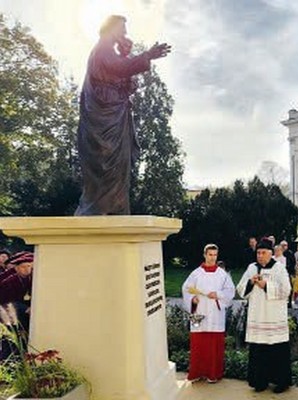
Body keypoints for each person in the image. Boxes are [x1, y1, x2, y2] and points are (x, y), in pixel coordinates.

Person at [74, 15, 171, 215]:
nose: (125, 34)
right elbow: (119, 68)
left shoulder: (110, 52)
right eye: (122, 29)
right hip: (104, 118)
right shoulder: (102, 49)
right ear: (111, 29)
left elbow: (125, 79)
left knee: (119, 164)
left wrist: (127, 54)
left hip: (115, 113)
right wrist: (146, 56)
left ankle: (115, 208)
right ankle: (100, 208)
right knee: (106, 160)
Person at [236, 238, 292, 393]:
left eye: (263, 253)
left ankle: (281, 382)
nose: (260, 256)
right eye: (258, 253)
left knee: (277, 350)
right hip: (258, 316)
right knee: (258, 350)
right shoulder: (251, 268)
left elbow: (286, 290)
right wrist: (250, 283)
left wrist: (265, 285)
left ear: (271, 253)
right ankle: (259, 381)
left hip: (274, 317)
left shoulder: (279, 268)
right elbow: (240, 289)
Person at [181, 244, 235, 383]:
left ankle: (213, 374)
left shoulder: (222, 274)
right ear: (204, 255)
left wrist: (217, 294)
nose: (212, 258)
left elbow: (230, 292)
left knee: (214, 345)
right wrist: (192, 299)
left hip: (215, 314)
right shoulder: (196, 273)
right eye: (210, 255)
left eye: (215, 255)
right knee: (198, 344)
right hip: (199, 312)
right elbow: (186, 289)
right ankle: (197, 373)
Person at [0, 251, 34, 332]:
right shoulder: (9, 281)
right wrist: (26, 308)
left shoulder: (31, 278)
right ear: (16, 268)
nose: (26, 269)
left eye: (28, 266)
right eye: (23, 267)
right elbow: (7, 302)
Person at [280, 241, 296, 308]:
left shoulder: (290, 253)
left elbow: (293, 263)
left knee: (290, 287)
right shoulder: (278, 253)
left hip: (288, 272)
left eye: (285, 245)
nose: (284, 247)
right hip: (279, 273)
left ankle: (289, 301)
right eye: (282, 245)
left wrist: (292, 272)